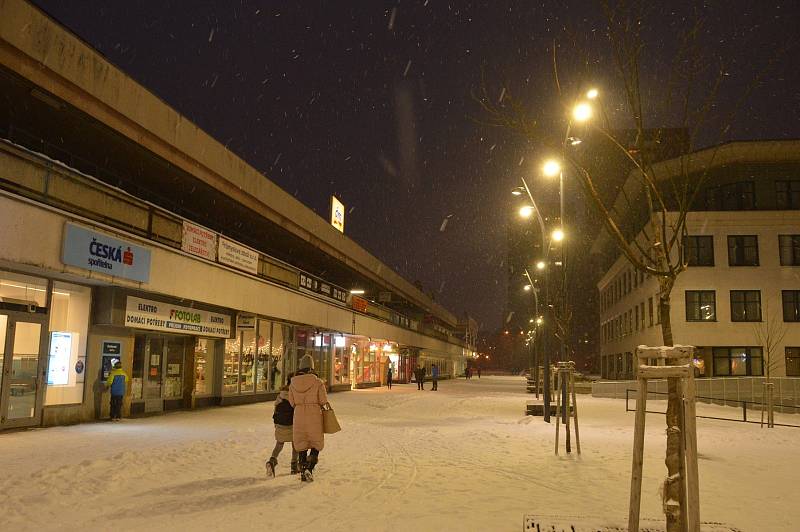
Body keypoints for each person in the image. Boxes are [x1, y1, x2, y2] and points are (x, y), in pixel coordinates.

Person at [288, 354, 329, 482]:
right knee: (316, 442)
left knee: (301, 443)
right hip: (314, 415)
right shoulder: (317, 382)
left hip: (299, 415)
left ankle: (302, 469)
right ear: (311, 367)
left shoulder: (293, 383)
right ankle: (309, 467)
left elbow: (291, 402)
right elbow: (323, 400)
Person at [266, 378, 299, 477]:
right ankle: (294, 466)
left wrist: (276, 424)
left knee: (279, 444)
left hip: (280, 425)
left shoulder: (279, 397)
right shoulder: (294, 397)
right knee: (295, 445)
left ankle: (272, 460)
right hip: (292, 425)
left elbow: (275, 411)